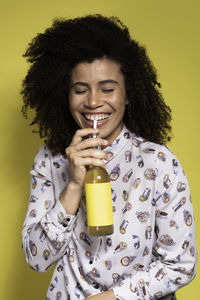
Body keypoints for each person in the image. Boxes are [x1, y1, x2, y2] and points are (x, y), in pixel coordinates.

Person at [21, 14, 197, 300]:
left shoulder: (159, 162)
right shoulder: (50, 160)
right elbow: (36, 259)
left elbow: (180, 265)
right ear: (64, 95)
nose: (92, 101)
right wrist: (74, 184)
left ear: (128, 94)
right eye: (80, 90)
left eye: (107, 89)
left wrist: (113, 297)